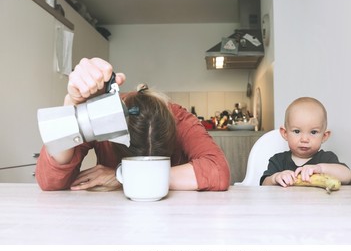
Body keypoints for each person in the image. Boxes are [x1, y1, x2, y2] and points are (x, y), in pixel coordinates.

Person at [35, 58, 230, 191]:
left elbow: (218, 171)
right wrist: (72, 107)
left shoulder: (180, 119)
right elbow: (50, 181)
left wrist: (124, 177)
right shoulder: (105, 118)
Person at [260, 97, 351, 187]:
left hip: (319, 202)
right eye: (297, 131)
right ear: (285, 133)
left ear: (324, 136)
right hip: (286, 202)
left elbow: (347, 176)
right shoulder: (278, 160)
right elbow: (264, 185)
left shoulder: (326, 158)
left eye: (313, 132)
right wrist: (275, 178)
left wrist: (320, 168)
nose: (304, 139)